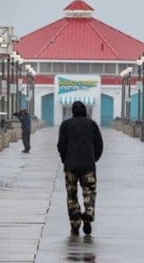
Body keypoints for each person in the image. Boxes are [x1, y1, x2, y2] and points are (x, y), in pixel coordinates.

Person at [57, 101, 103, 236]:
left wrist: (65, 159)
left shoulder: (65, 125)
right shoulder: (92, 124)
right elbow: (99, 144)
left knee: (71, 195)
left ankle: (75, 223)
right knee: (89, 191)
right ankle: (88, 213)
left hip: (70, 166)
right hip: (88, 166)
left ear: (72, 111)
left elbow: (61, 145)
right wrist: (93, 159)